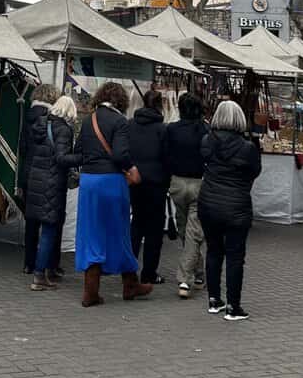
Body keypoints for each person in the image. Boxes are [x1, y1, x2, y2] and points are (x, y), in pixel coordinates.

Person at [75, 81, 151, 307]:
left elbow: (78, 152)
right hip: (111, 182)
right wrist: (132, 168)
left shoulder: (89, 120)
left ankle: (90, 291)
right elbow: (120, 155)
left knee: (91, 234)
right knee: (119, 233)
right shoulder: (120, 121)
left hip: (88, 182)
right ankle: (130, 284)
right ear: (122, 101)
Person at [197, 101, 262, 321]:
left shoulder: (207, 141)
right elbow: (255, 171)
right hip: (236, 204)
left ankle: (214, 299)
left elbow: (203, 162)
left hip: (208, 201)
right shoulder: (247, 147)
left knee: (213, 251)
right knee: (235, 256)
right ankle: (234, 306)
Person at [25, 95, 82, 290]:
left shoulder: (40, 125)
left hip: (37, 182)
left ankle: (43, 270)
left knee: (43, 228)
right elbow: (61, 158)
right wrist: (81, 158)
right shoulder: (63, 129)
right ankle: (40, 275)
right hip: (52, 183)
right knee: (50, 230)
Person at [166, 92, 208, 298]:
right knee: (194, 232)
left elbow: (164, 156)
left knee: (186, 230)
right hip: (199, 184)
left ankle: (197, 274)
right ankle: (186, 279)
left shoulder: (171, 130)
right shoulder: (205, 131)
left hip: (176, 183)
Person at [128, 89, 169, 285]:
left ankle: (129, 269)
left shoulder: (130, 125)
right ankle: (149, 273)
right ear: (160, 105)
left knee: (136, 224)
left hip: (135, 181)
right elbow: (168, 157)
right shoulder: (163, 129)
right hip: (157, 184)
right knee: (154, 230)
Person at [19, 84, 60, 275]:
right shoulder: (53, 119)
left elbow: (23, 148)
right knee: (52, 222)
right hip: (48, 173)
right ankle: (50, 264)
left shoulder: (26, 116)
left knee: (32, 221)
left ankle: (28, 262)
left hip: (30, 173)